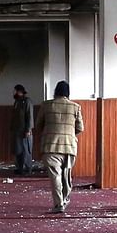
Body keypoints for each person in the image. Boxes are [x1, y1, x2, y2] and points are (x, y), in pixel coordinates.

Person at [38, 79, 85, 213]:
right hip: (69, 146)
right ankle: (64, 199)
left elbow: (39, 124)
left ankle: (59, 204)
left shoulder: (46, 105)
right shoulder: (75, 107)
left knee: (55, 176)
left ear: (55, 91)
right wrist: (69, 134)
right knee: (66, 175)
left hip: (50, 146)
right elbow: (80, 128)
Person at [11, 84, 36, 174]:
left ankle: (27, 168)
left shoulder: (27, 101)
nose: (14, 93)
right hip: (17, 130)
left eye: (15, 91)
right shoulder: (17, 102)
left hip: (25, 130)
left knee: (26, 150)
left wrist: (28, 129)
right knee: (18, 150)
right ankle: (20, 168)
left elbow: (30, 116)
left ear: (20, 92)